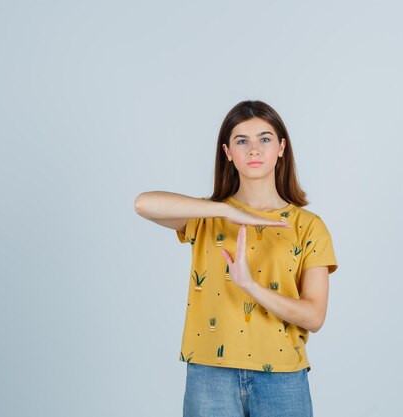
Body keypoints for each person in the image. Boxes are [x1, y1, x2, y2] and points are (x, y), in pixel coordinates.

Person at [134, 100, 338, 417]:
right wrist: (226, 209)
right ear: (228, 152)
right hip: (210, 374)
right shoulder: (205, 216)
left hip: (282, 376)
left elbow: (314, 316)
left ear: (282, 147)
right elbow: (143, 204)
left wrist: (251, 286)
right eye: (242, 140)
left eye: (265, 138)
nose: (253, 150)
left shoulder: (308, 226)